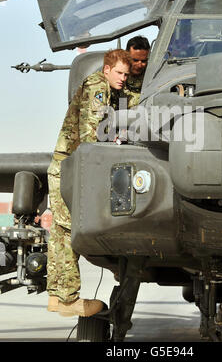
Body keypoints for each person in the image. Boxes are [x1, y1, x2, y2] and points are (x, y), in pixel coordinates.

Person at [47, 49, 132, 317]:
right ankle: (68, 299)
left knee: (61, 232)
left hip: (65, 165)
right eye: (119, 73)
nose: (122, 78)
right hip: (71, 168)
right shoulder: (97, 86)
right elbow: (90, 131)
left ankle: (57, 296)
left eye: (126, 75)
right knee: (70, 233)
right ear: (106, 70)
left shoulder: (110, 89)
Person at [124, 36, 150, 107]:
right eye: (135, 60)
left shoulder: (151, 74)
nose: (139, 65)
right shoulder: (116, 73)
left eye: (143, 61)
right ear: (126, 56)